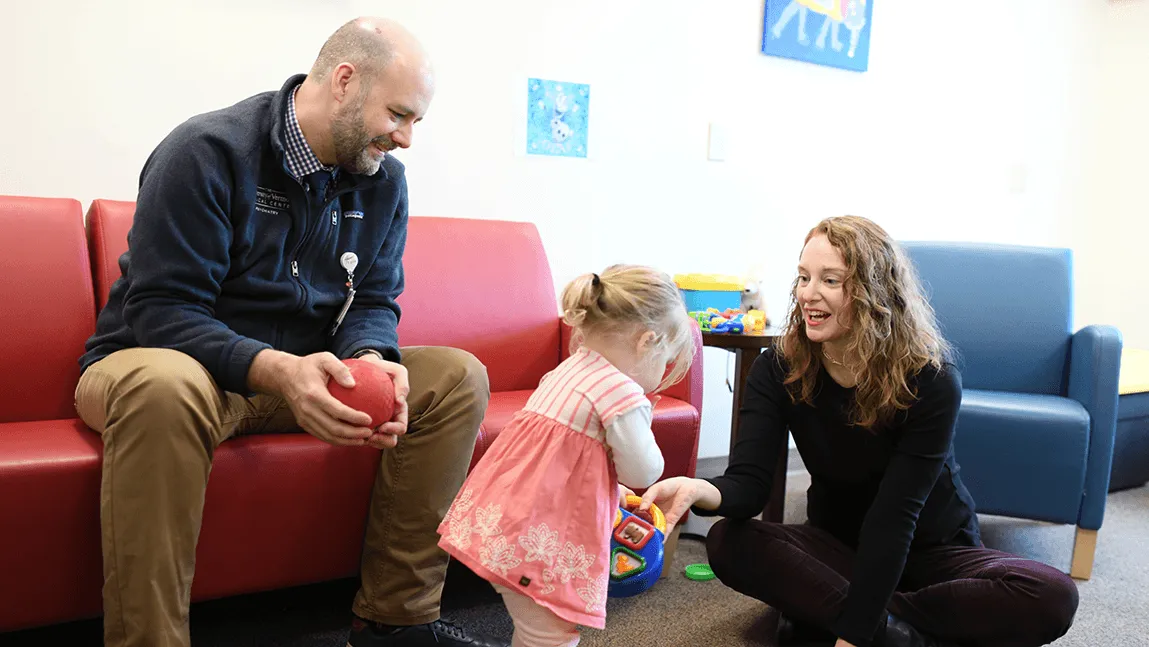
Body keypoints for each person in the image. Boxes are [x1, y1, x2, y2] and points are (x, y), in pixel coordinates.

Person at [76, 17, 506, 647]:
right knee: (163, 384)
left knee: (455, 376)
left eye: (417, 121)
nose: (408, 139)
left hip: (299, 373)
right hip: (160, 364)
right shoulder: (206, 151)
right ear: (344, 81)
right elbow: (162, 311)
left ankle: (397, 619)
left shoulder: (384, 180)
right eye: (399, 114)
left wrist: (367, 357)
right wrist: (278, 368)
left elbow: (376, 299)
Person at [639, 216, 1080, 647]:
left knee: (1052, 595)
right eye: (804, 277)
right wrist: (699, 488)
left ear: (874, 293)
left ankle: (845, 619)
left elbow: (895, 518)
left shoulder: (931, 379)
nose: (808, 294)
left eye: (831, 280)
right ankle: (898, 631)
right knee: (730, 541)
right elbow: (749, 485)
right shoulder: (778, 368)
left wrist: (853, 632)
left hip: (933, 550)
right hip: (836, 546)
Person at [436, 266, 696, 647]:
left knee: (534, 628)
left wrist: (612, 489)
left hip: (502, 526)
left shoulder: (568, 372)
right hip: (538, 540)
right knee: (552, 635)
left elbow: (564, 458)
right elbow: (645, 468)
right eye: (667, 360)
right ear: (648, 341)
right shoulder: (621, 393)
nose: (663, 372)